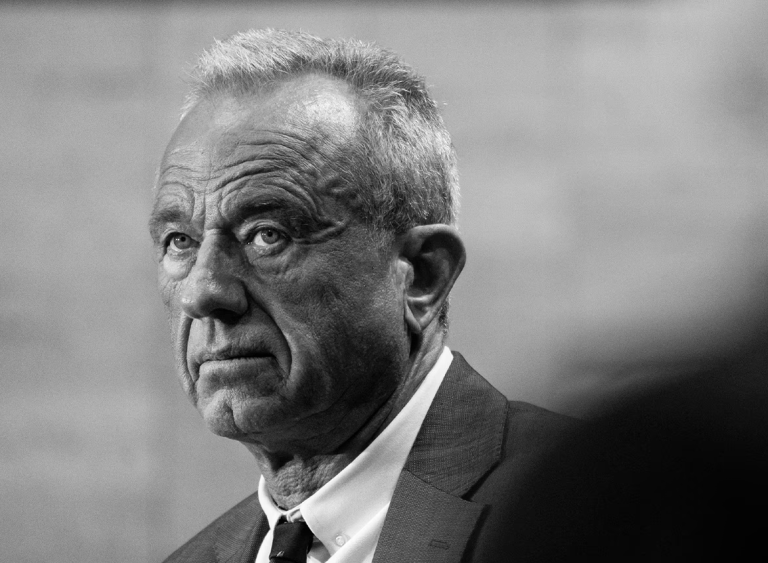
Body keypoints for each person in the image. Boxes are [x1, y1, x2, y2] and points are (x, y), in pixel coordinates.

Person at [149, 29, 573, 563]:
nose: (203, 292)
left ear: (422, 276)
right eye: (180, 241)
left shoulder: (589, 509)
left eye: (267, 234)